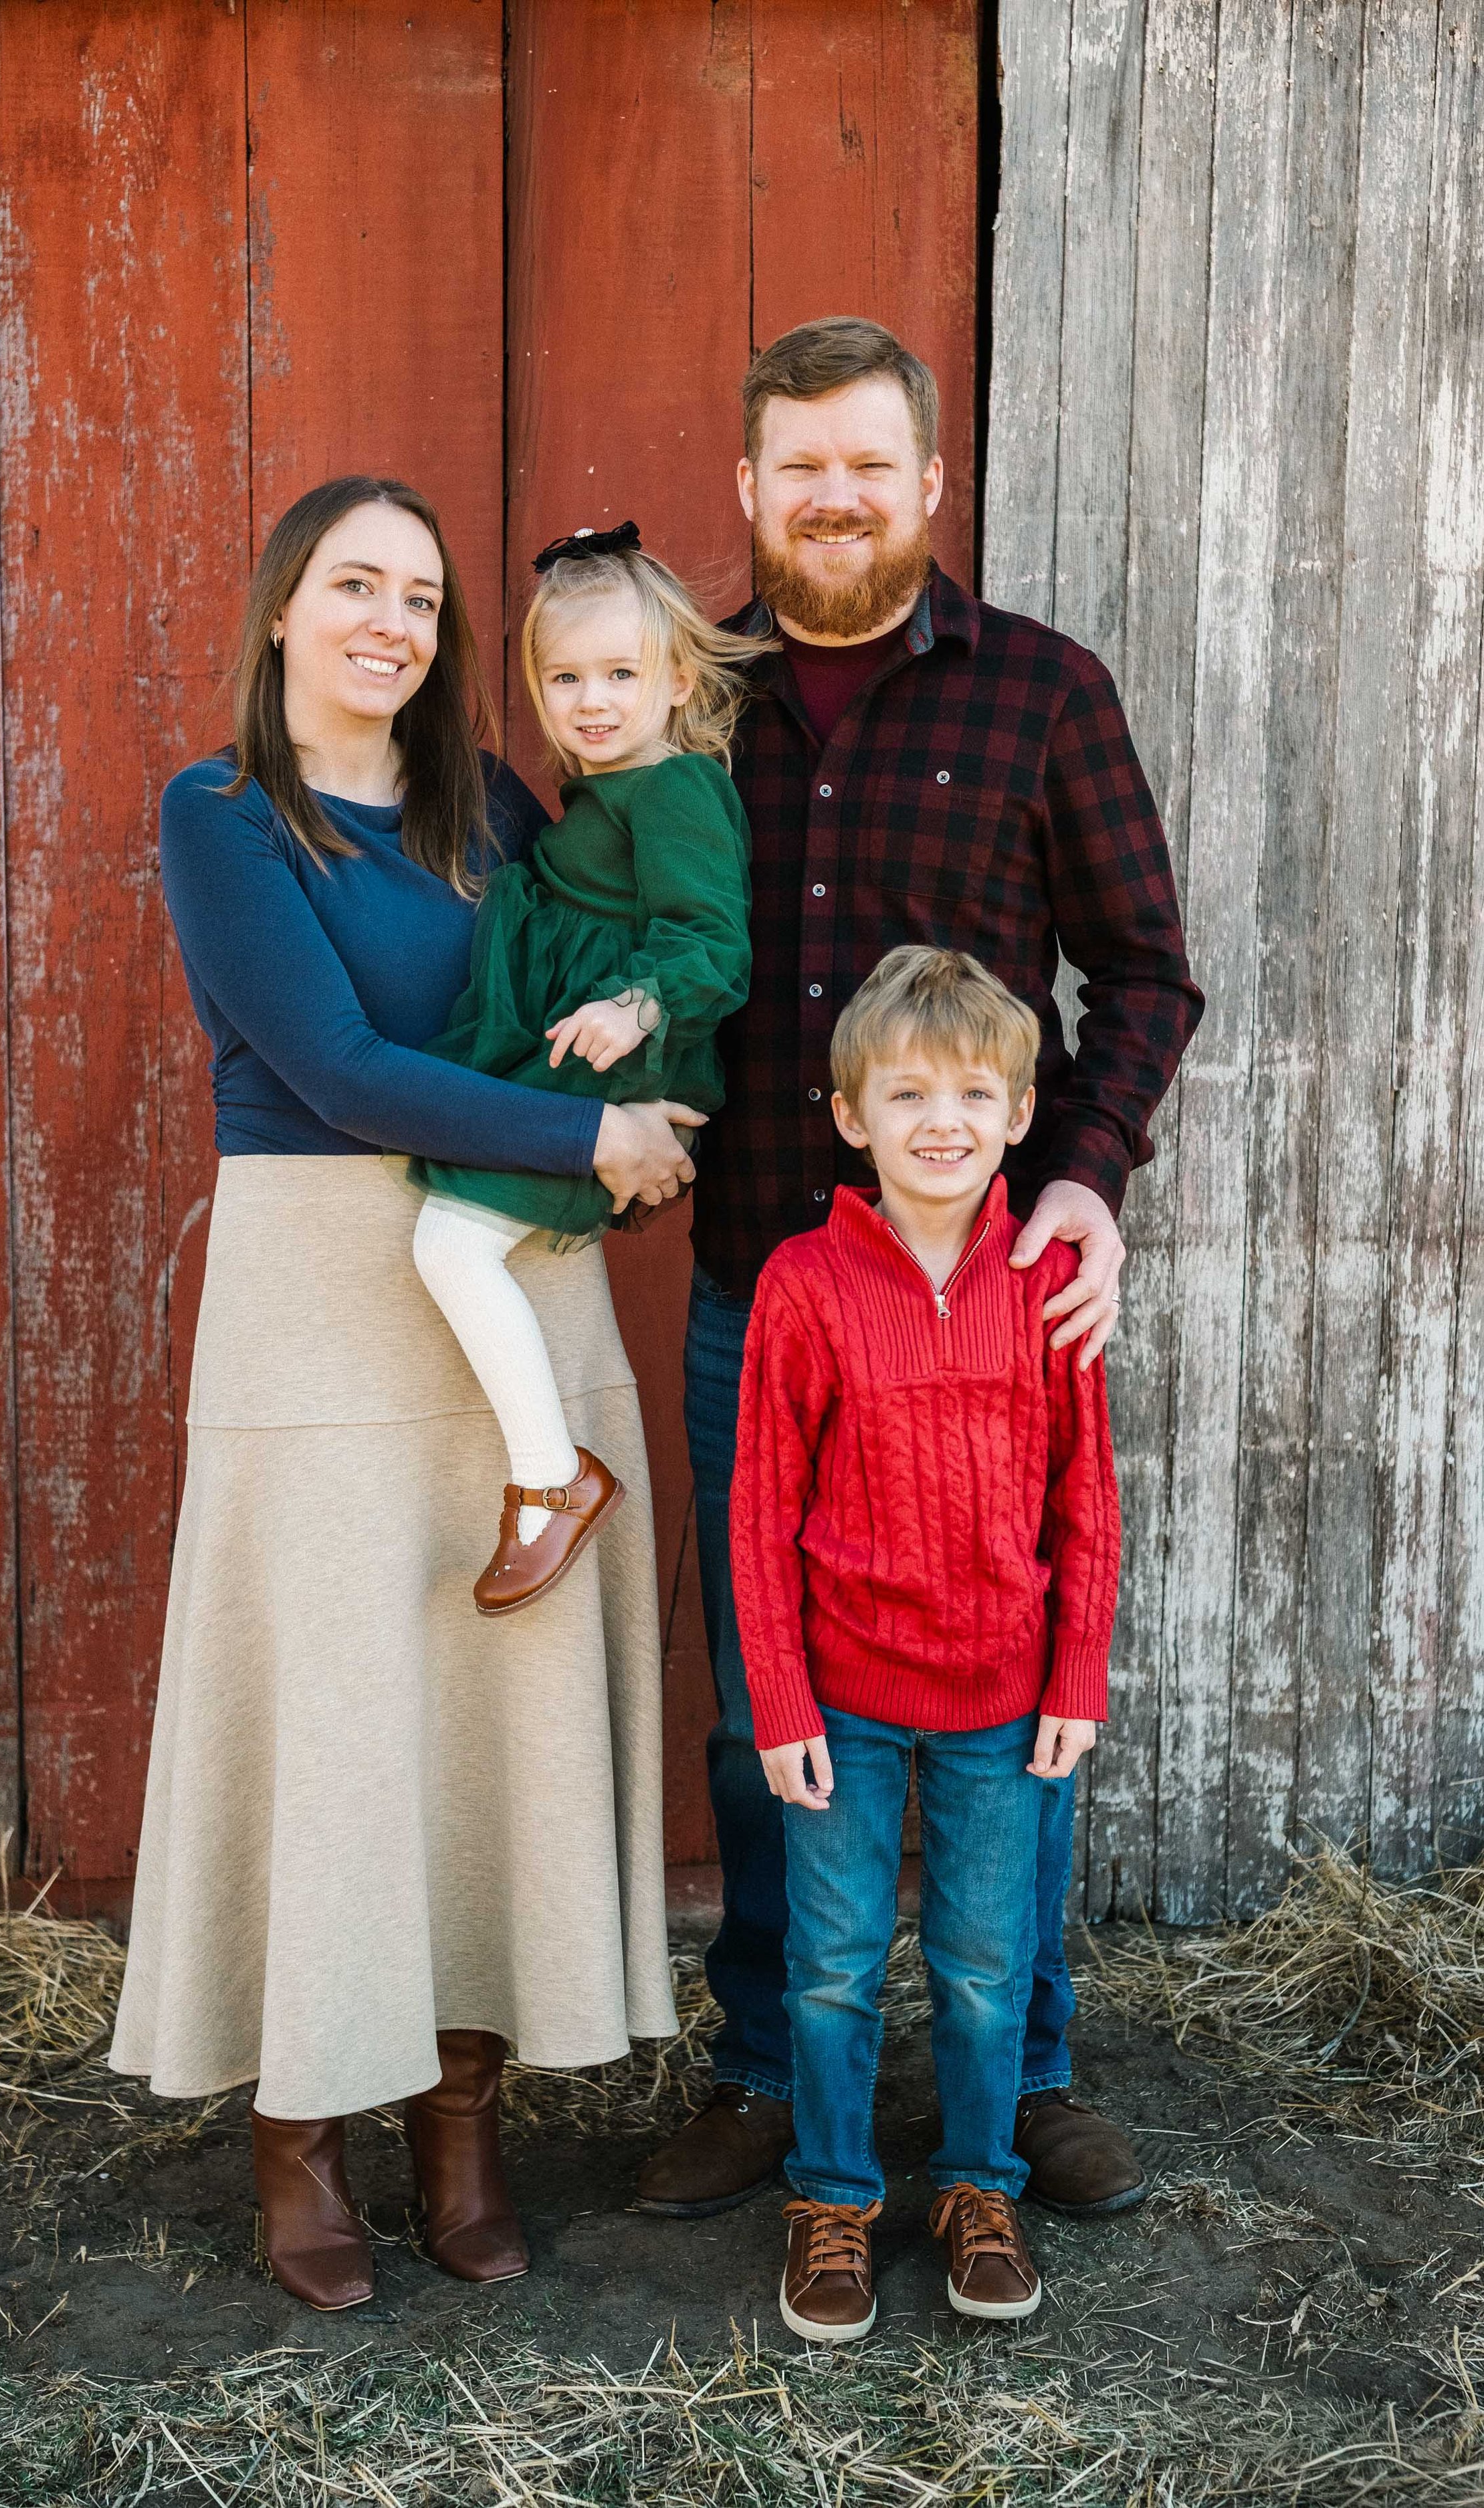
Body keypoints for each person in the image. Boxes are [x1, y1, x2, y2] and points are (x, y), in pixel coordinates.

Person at [636, 317, 1203, 2221]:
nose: (834, 497)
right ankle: (757, 2071)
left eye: (869, 463)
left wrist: (1093, 1179)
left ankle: (1019, 2076)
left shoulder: (1038, 694)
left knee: (1005, 1689)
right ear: (745, 487)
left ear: (928, 482)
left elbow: (1142, 971)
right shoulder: (688, 697)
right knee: (757, 1700)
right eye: (799, 464)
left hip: (990, 1314)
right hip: (762, 1293)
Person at [108, 476, 691, 2312]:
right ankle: (302, 2134)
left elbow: (612, 943)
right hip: (322, 1293)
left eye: (423, 599)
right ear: (283, 606)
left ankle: (461, 2120)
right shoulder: (225, 815)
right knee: (338, 1705)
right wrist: (587, 1128)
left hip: (514, 1275)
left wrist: (657, 1032)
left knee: (477, 1712)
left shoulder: (486, 805)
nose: (392, 621)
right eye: (355, 584)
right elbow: (341, 1066)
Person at [732, 946, 1121, 2339]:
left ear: (1020, 1113)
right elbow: (759, 1506)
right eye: (905, 1093)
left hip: (1000, 1705)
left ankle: (976, 2185)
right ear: (851, 1116)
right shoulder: (805, 1284)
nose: (938, 1120)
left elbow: (1088, 1498)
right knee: (831, 1964)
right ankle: (830, 2197)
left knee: (979, 1960)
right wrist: (777, 1699)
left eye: (970, 1092)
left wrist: (1073, 1674)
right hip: (840, 1697)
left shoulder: (1047, 1283)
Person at [407, 525, 768, 1615]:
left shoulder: (675, 792)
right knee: (451, 1233)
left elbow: (714, 938)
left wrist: (637, 1001)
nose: (593, 700)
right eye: (566, 678)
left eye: (622, 674)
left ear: (673, 680)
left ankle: (553, 1479)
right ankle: (547, 1476)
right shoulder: (604, 795)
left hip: (624, 1061)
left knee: (452, 1242)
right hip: (584, 1056)